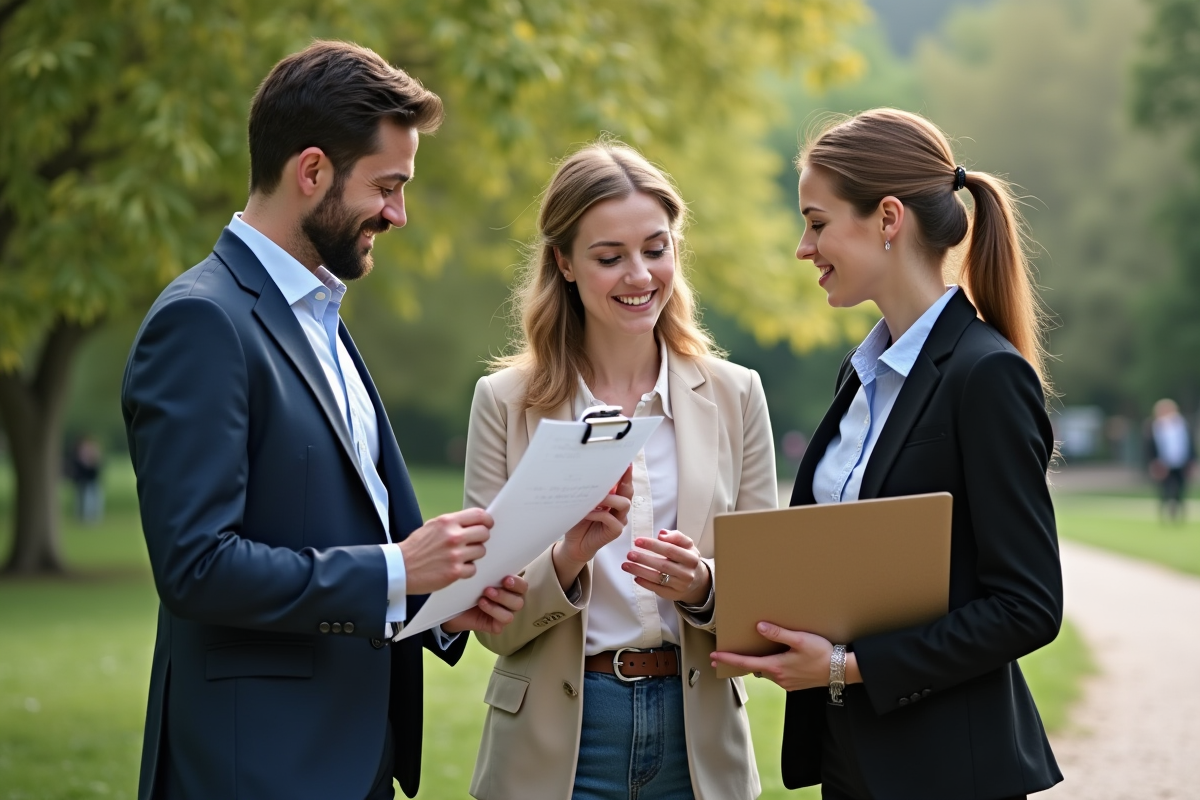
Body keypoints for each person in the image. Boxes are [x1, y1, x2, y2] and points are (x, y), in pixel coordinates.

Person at [121, 41, 528, 800]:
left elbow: (341, 523)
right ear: (311, 172)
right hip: (257, 769)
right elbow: (196, 566)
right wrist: (399, 569)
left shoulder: (319, 317)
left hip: (353, 757)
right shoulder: (201, 323)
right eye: (388, 186)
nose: (399, 214)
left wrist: (437, 599)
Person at [711, 109, 1064, 800]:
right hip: (851, 760)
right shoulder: (862, 376)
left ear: (888, 218)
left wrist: (848, 665)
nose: (803, 247)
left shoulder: (984, 375)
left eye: (816, 222)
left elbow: (1028, 605)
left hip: (950, 773)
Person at [463, 140, 778, 800]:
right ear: (565, 264)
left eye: (656, 248)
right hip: (557, 745)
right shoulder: (504, 403)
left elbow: (768, 601)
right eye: (610, 257)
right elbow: (492, 621)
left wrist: (703, 586)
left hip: (697, 739)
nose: (640, 275)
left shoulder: (736, 394)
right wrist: (566, 561)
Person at [1146, 398, 1196, 523]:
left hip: (1181, 462)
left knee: (1181, 490)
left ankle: (1179, 516)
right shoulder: (1154, 426)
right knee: (1164, 491)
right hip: (1163, 463)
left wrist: (1192, 461)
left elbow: (1190, 444)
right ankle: (1164, 515)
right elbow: (1149, 447)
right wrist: (1154, 463)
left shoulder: (1183, 424)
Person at [70, 435, 104, 524]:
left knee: (95, 500)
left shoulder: (94, 459)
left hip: (93, 481)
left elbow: (97, 469)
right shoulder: (80, 458)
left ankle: (93, 518)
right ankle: (85, 518)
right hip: (84, 481)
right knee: (84, 501)